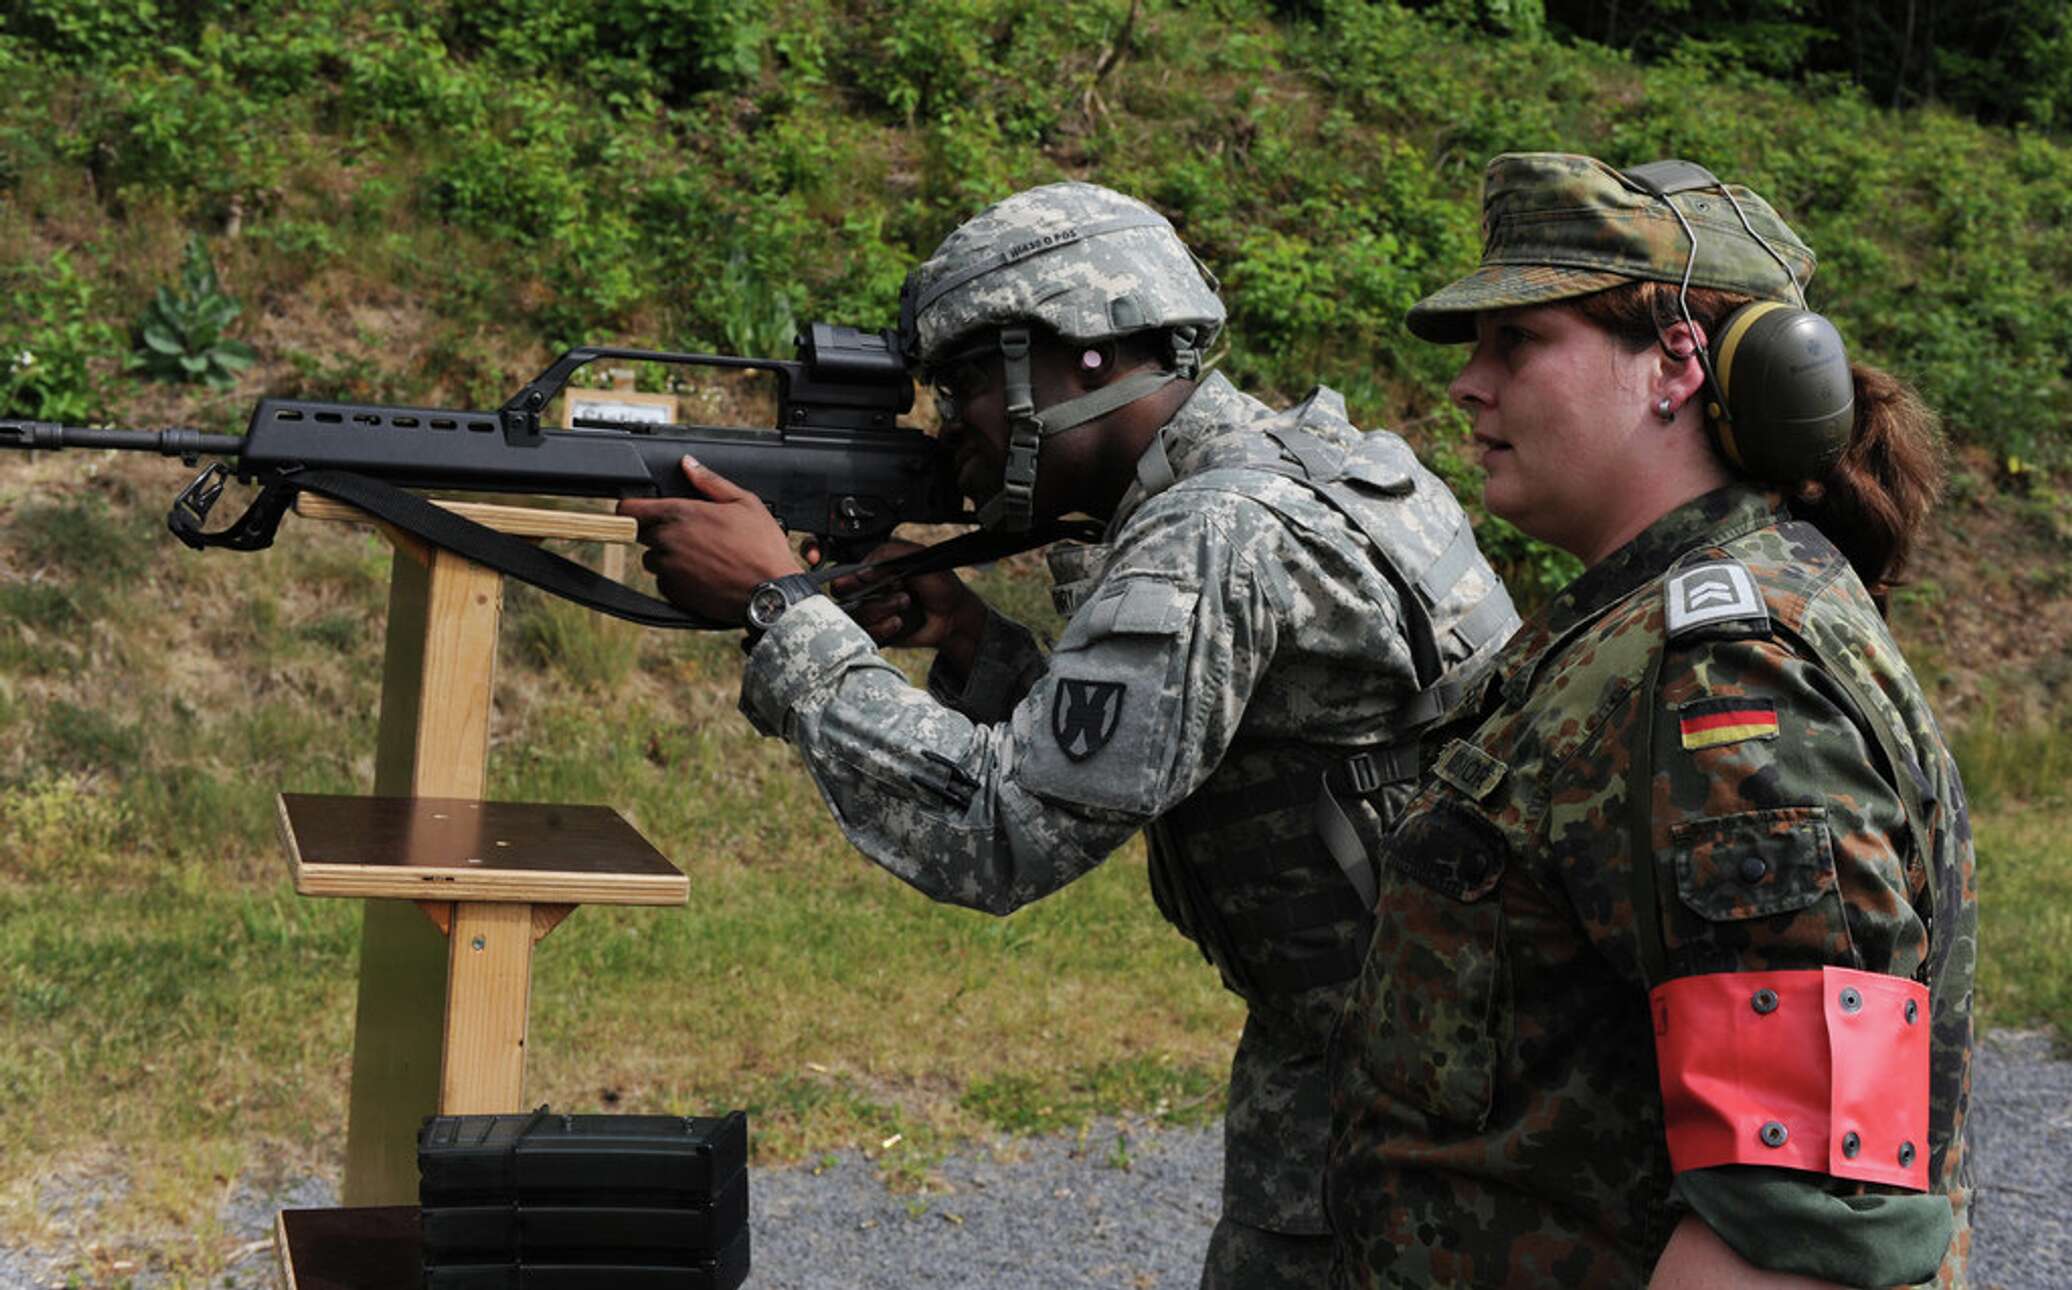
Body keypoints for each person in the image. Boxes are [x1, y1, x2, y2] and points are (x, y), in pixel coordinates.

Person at [620, 181, 1517, 1287]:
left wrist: (779, 613)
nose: (954, 431)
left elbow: (999, 832)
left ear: (1084, 354)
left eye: (964, 388)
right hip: (1440, 1062)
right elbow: (1172, 744)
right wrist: (971, 644)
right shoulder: (1320, 465)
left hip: (1401, 1104)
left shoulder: (1215, 533)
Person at [1325, 152, 1976, 1289]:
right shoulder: (1639, 630)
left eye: (1516, 342)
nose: (1468, 384)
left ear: (1674, 360)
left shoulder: (1725, 680)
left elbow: (1801, 1228)